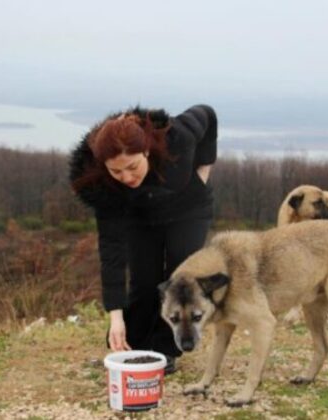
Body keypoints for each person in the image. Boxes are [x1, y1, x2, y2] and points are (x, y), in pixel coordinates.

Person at [69, 104, 217, 374]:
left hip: (189, 210)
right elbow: (112, 253)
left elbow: (207, 114)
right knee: (144, 280)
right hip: (141, 215)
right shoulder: (105, 188)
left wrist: (204, 170)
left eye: (132, 166)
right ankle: (133, 346)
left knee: (176, 276)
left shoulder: (178, 138)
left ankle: (165, 349)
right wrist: (115, 317)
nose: (126, 177)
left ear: (146, 150)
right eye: (117, 171)